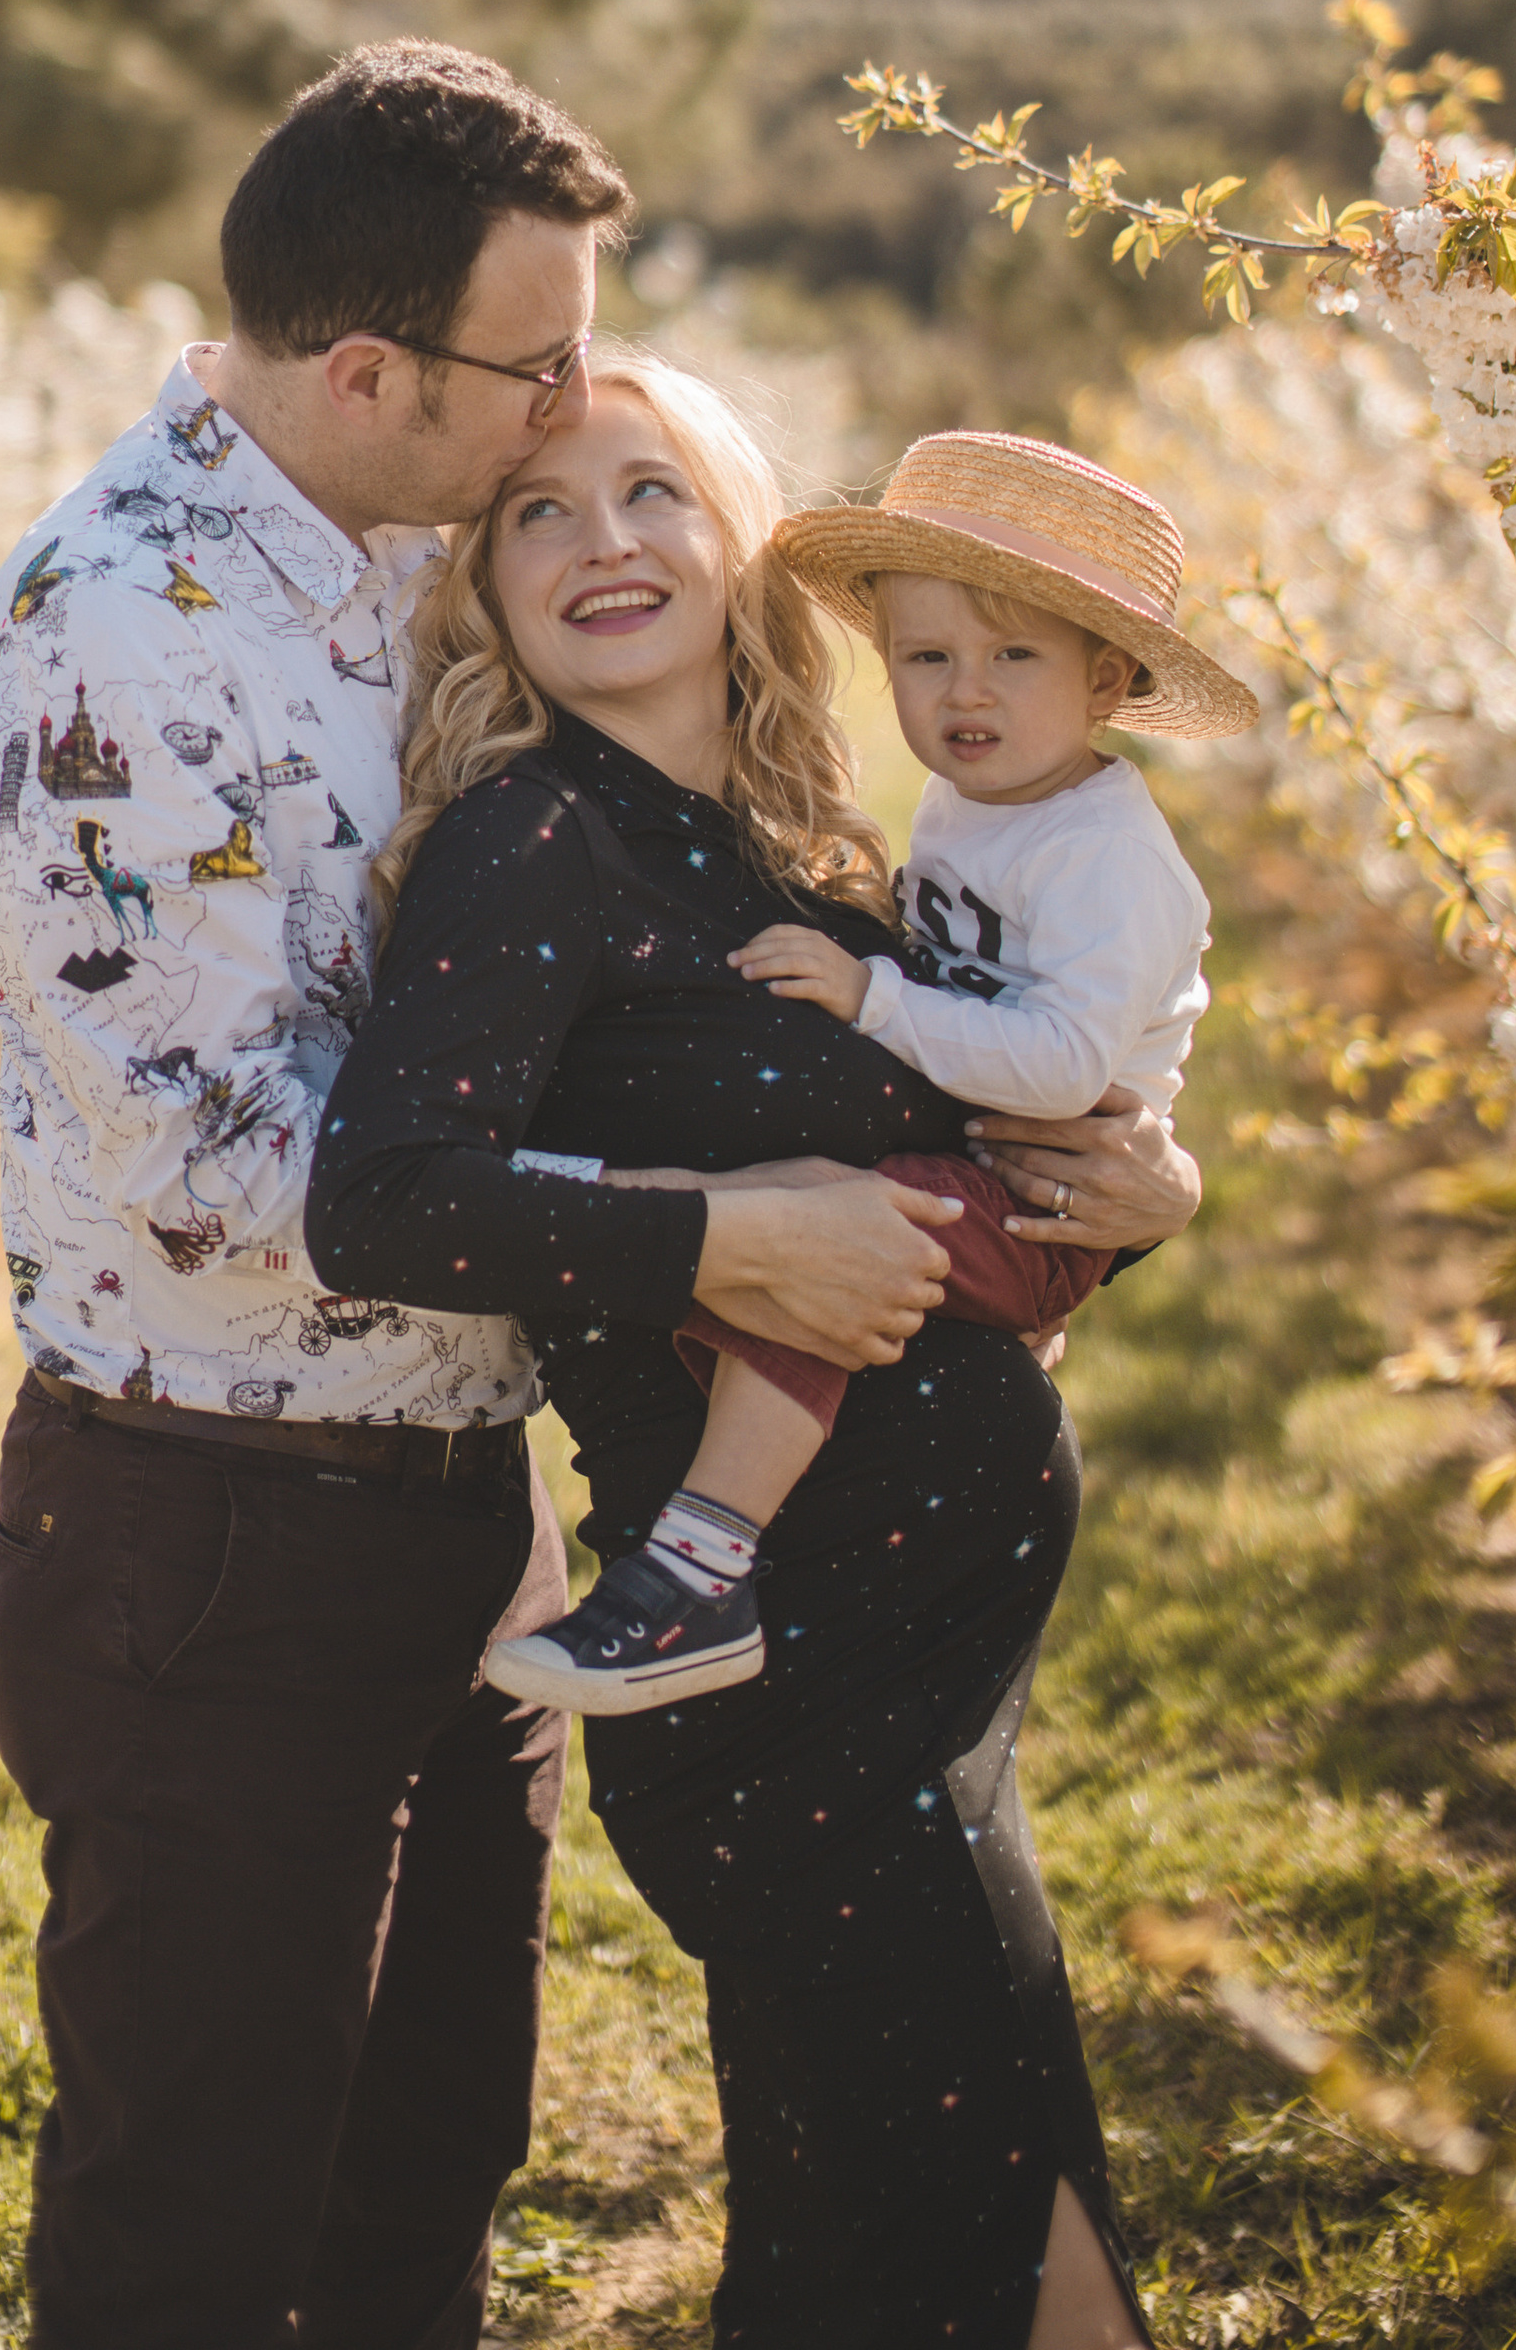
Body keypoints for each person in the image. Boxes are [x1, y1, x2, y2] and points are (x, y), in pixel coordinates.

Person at [0, 40, 978, 2350]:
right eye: (543, 367)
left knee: (422, 2176)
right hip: (218, 1537)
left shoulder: (399, 530)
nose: (577, 409)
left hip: (455, 1500)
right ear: (362, 369)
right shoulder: (119, 639)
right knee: (194, 2228)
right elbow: (231, 1168)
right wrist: (712, 1243)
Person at [308, 354, 1209, 2350]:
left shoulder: (809, 850)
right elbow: (381, 1199)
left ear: (733, 548)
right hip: (765, 1655)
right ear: (485, 583)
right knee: (945, 2189)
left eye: (646, 491)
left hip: (921, 1655)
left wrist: (1146, 1206)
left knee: (906, 2172)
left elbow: (958, 1192)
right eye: (536, 509)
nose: (598, 539)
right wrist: (722, 1239)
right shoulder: (536, 839)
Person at [486, 428, 1254, 1714]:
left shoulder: (1108, 862)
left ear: (1107, 677)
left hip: (1039, 1186)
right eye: (926, 658)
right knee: (783, 1231)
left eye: (1016, 656)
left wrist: (872, 995)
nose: (968, 693)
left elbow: (1063, 1068)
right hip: (991, 1169)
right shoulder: (982, 801)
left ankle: (697, 1569)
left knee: (814, 1239)